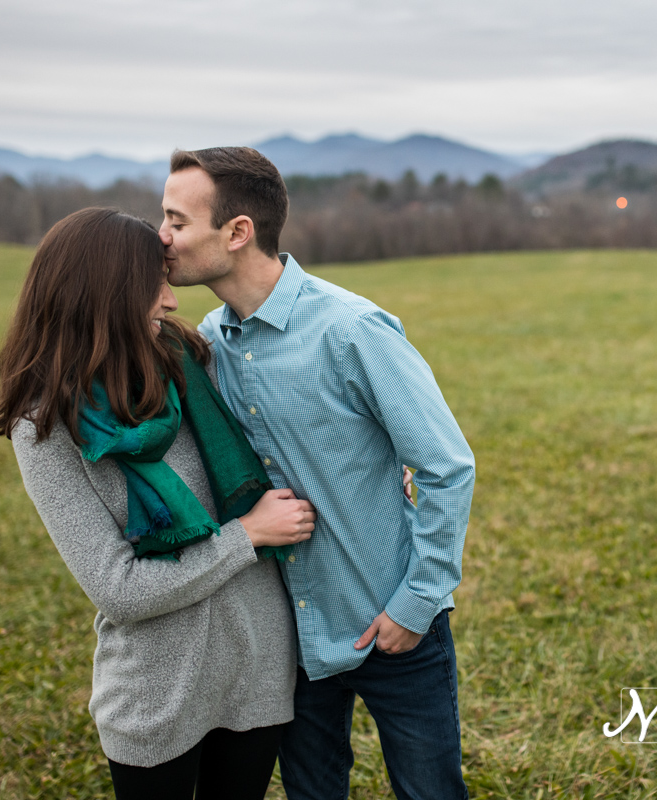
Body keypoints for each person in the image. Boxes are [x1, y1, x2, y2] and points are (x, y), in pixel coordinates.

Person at [159, 147, 476, 800]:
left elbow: (446, 466)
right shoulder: (209, 346)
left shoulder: (352, 331)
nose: (160, 238)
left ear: (237, 232)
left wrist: (415, 604)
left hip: (396, 627)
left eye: (176, 221)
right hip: (293, 641)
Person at [0, 207, 317, 800]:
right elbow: (120, 589)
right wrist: (248, 534)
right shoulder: (45, 427)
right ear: (105, 296)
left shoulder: (191, 361)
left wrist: (379, 464)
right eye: (153, 285)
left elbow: (293, 434)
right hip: (156, 694)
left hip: (257, 666)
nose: (169, 300)